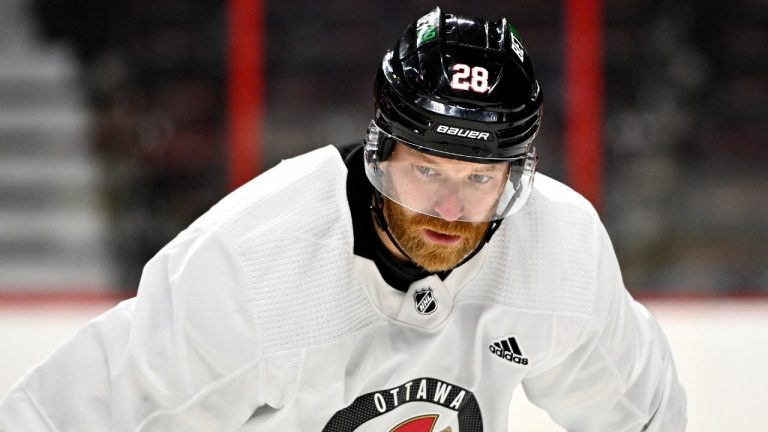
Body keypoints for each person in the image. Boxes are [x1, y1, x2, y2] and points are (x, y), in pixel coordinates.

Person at [0, 7, 686, 431]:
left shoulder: (558, 248)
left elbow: (643, 416)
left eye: (480, 178)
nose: (451, 210)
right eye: (428, 171)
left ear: (516, 178)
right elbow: (59, 418)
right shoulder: (253, 263)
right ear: (381, 153)